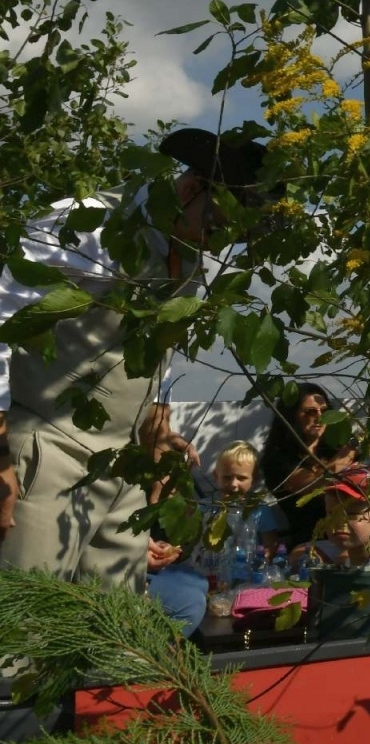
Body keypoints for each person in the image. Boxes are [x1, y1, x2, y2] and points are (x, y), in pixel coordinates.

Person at [0, 127, 273, 592]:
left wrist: (155, 423)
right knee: (27, 633)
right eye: (219, 227)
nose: (220, 244)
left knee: (117, 631)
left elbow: (152, 349)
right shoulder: (90, 223)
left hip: (122, 467)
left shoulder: (186, 255)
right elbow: (2, 317)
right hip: (48, 448)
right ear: (190, 191)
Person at [147, 439, 289, 635]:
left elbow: (270, 546)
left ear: (254, 479)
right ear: (216, 475)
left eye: (241, 478)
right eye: (227, 477)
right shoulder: (205, 507)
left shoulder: (258, 510)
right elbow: (188, 539)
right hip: (204, 575)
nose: (234, 484)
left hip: (241, 578)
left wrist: (261, 564)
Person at [259, 381, 358, 547]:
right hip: (311, 544)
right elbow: (316, 486)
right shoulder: (278, 459)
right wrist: (345, 457)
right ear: (292, 415)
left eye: (325, 411)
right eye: (310, 412)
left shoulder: (336, 449)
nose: (320, 417)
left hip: (353, 538)